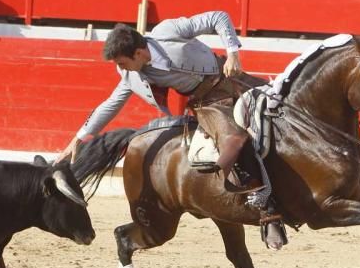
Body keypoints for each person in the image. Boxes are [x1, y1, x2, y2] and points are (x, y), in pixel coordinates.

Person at [57, 11, 262, 196]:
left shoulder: (168, 31)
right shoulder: (131, 74)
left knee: (277, 107)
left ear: (138, 53)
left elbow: (219, 17)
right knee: (235, 139)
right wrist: (77, 139)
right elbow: (111, 104)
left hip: (232, 78)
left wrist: (233, 53)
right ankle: (262, 200)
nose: (121, 68)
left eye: (122, 63)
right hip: (208, 104)